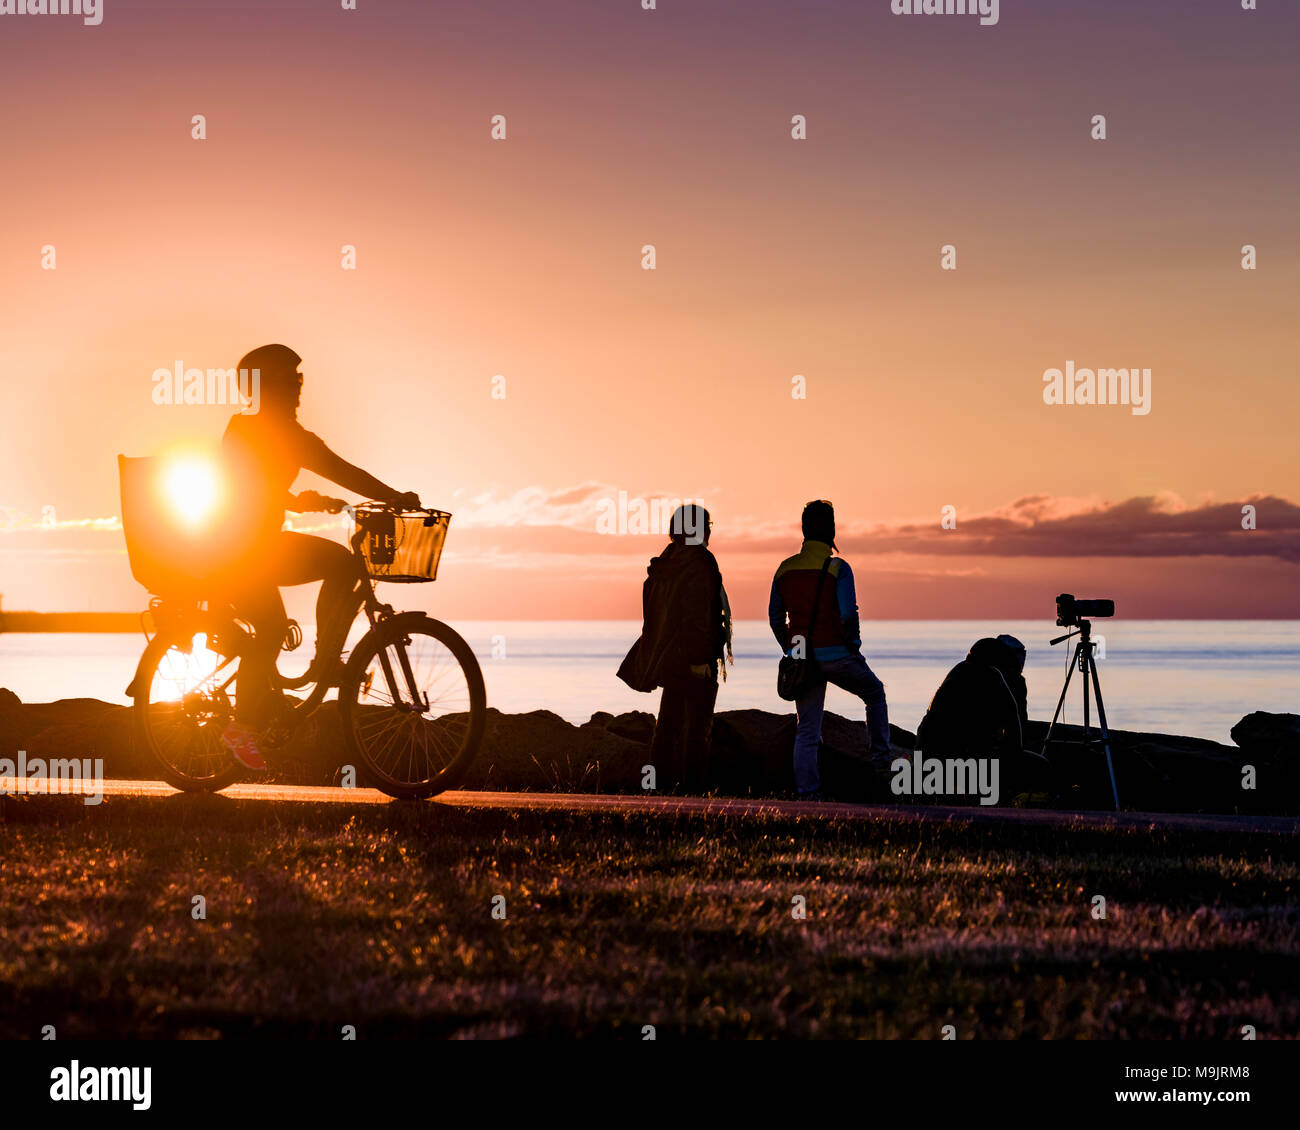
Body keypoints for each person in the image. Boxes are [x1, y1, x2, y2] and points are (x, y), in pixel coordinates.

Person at [217, 344, 421, 769]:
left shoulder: (287, 435)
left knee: (341, 564)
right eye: (289, 380)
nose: (298, 387)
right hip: (233, 551)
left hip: (260, 547)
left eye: (300, 379)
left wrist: (299, 501)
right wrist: (392, 496)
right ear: (265, 387)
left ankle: (324, 661)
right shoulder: (254, 430)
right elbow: (242, 489)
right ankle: (240, 727)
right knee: (271, 630)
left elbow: (274, 483)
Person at [768, 499, 891, 800]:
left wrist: (791, 647)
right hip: (837, 654)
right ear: (832, 529)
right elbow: (849, 614)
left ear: (804, 529)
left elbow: (775, 616)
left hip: (802, 658)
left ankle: (808, 794)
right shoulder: (838, 568)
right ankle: (880, 763)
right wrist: (855, 647)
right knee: (874, 694)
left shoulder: (785, 569)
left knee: (807, 729)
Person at [617, 504, 732, 793]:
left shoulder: (665, 562)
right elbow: (698, 616)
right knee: (696, 734)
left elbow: (652, 613)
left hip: (667, 657)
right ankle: (693, 799)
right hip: (693, 658)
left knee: (666, 730)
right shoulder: (700, 562)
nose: (709, 531)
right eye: (707, 525)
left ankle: (656, 793)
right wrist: (699, 659)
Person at [915, 634, 1054, 802]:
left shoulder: (956, 673)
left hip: (934, 759)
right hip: (963, 761)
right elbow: (1013, 729)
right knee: (1042, 767)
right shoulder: (993, 678)